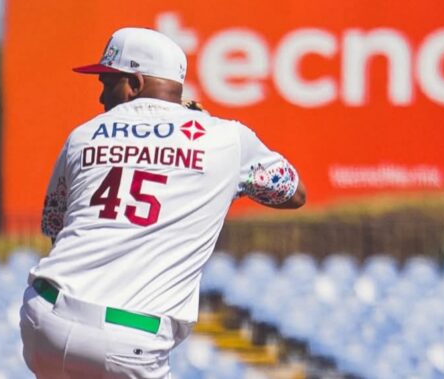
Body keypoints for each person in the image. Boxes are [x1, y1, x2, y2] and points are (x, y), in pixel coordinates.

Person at [19, 27, 306, 379]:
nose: (101, 97)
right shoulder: (225, 138)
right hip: (129, 338)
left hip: (43, 317)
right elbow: (293, 192)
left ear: (135, 84)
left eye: (108, 83)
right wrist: (228, 177)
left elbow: (55, 228)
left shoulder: (83, 135)